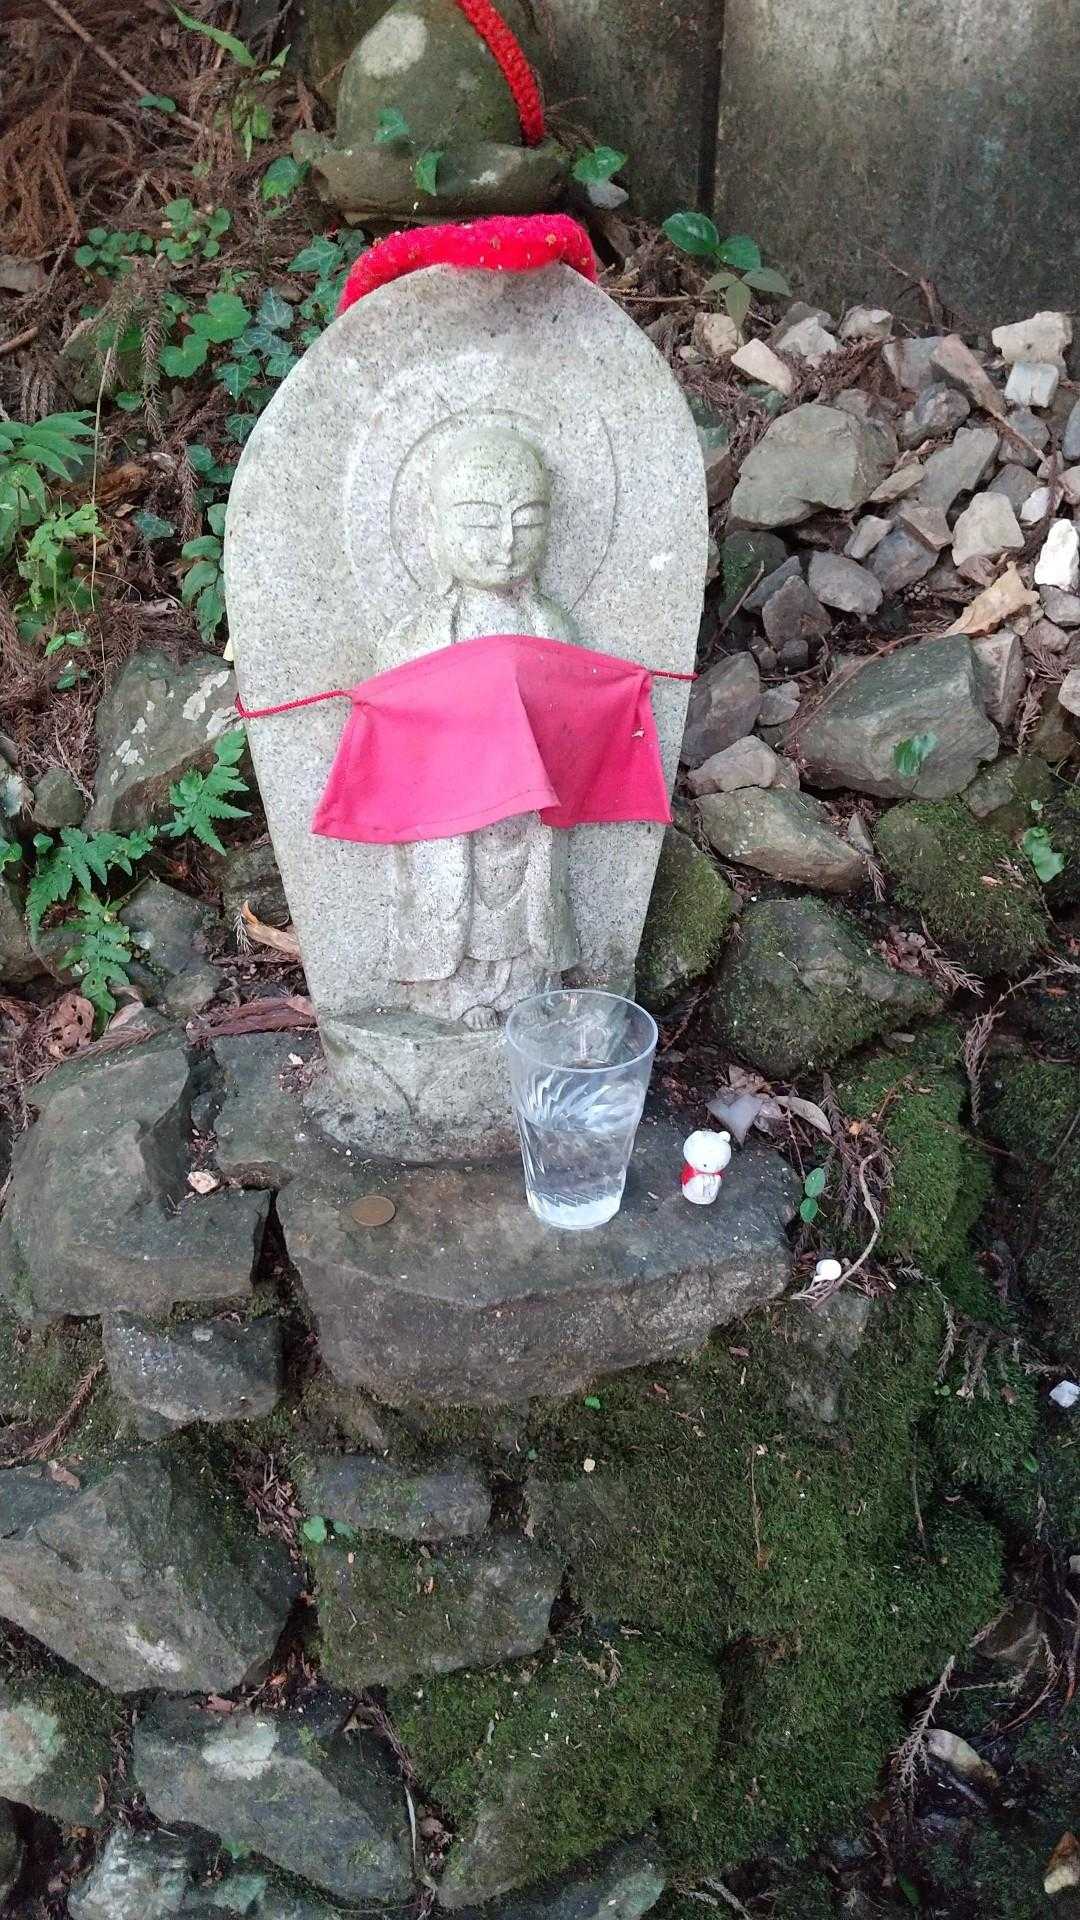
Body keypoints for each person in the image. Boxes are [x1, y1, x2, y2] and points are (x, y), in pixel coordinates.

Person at [379, 425, 579, 1029]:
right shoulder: (414, 639)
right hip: (453, 805)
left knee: (527, 906)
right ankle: (453, 994)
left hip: (528, 804)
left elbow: (572, 724)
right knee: (450, 894)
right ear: (435, 526)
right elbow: (398, 744)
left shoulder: (552, 628)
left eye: (527, 520)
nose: (506, 543)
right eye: (480, 521)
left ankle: (526, 990)